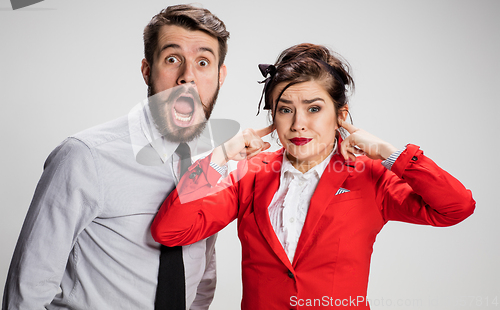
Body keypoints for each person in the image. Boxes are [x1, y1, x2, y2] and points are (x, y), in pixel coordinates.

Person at [151, 43, 476, 309]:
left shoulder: (369, 178)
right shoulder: (249, 175)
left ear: (341, 115)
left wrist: (390, 154)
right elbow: (170, 230)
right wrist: (219, 157)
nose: (298, 124)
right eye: (285, 109)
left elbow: (455, 207)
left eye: (314, 108)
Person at [3, 4, 229, 310]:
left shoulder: (213, 160)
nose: (187, 77)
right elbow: (28, 288)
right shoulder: (85, 156)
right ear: (147, 70)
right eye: (172, 59)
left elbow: (202, 269)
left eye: (203, 62)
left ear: (220, 76)